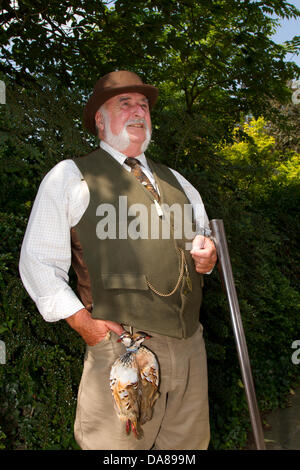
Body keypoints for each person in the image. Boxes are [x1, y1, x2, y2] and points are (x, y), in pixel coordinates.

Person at [19, 70, 217, 450]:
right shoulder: (71, 176)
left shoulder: (178, 182)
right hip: (121, 349)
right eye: (124, 103)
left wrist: (207, 255)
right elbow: (38, 261)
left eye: (142, 104)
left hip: (190, 347)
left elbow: (201, 241)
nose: (137, 110)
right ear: (99, 118)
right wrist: (83, 323)